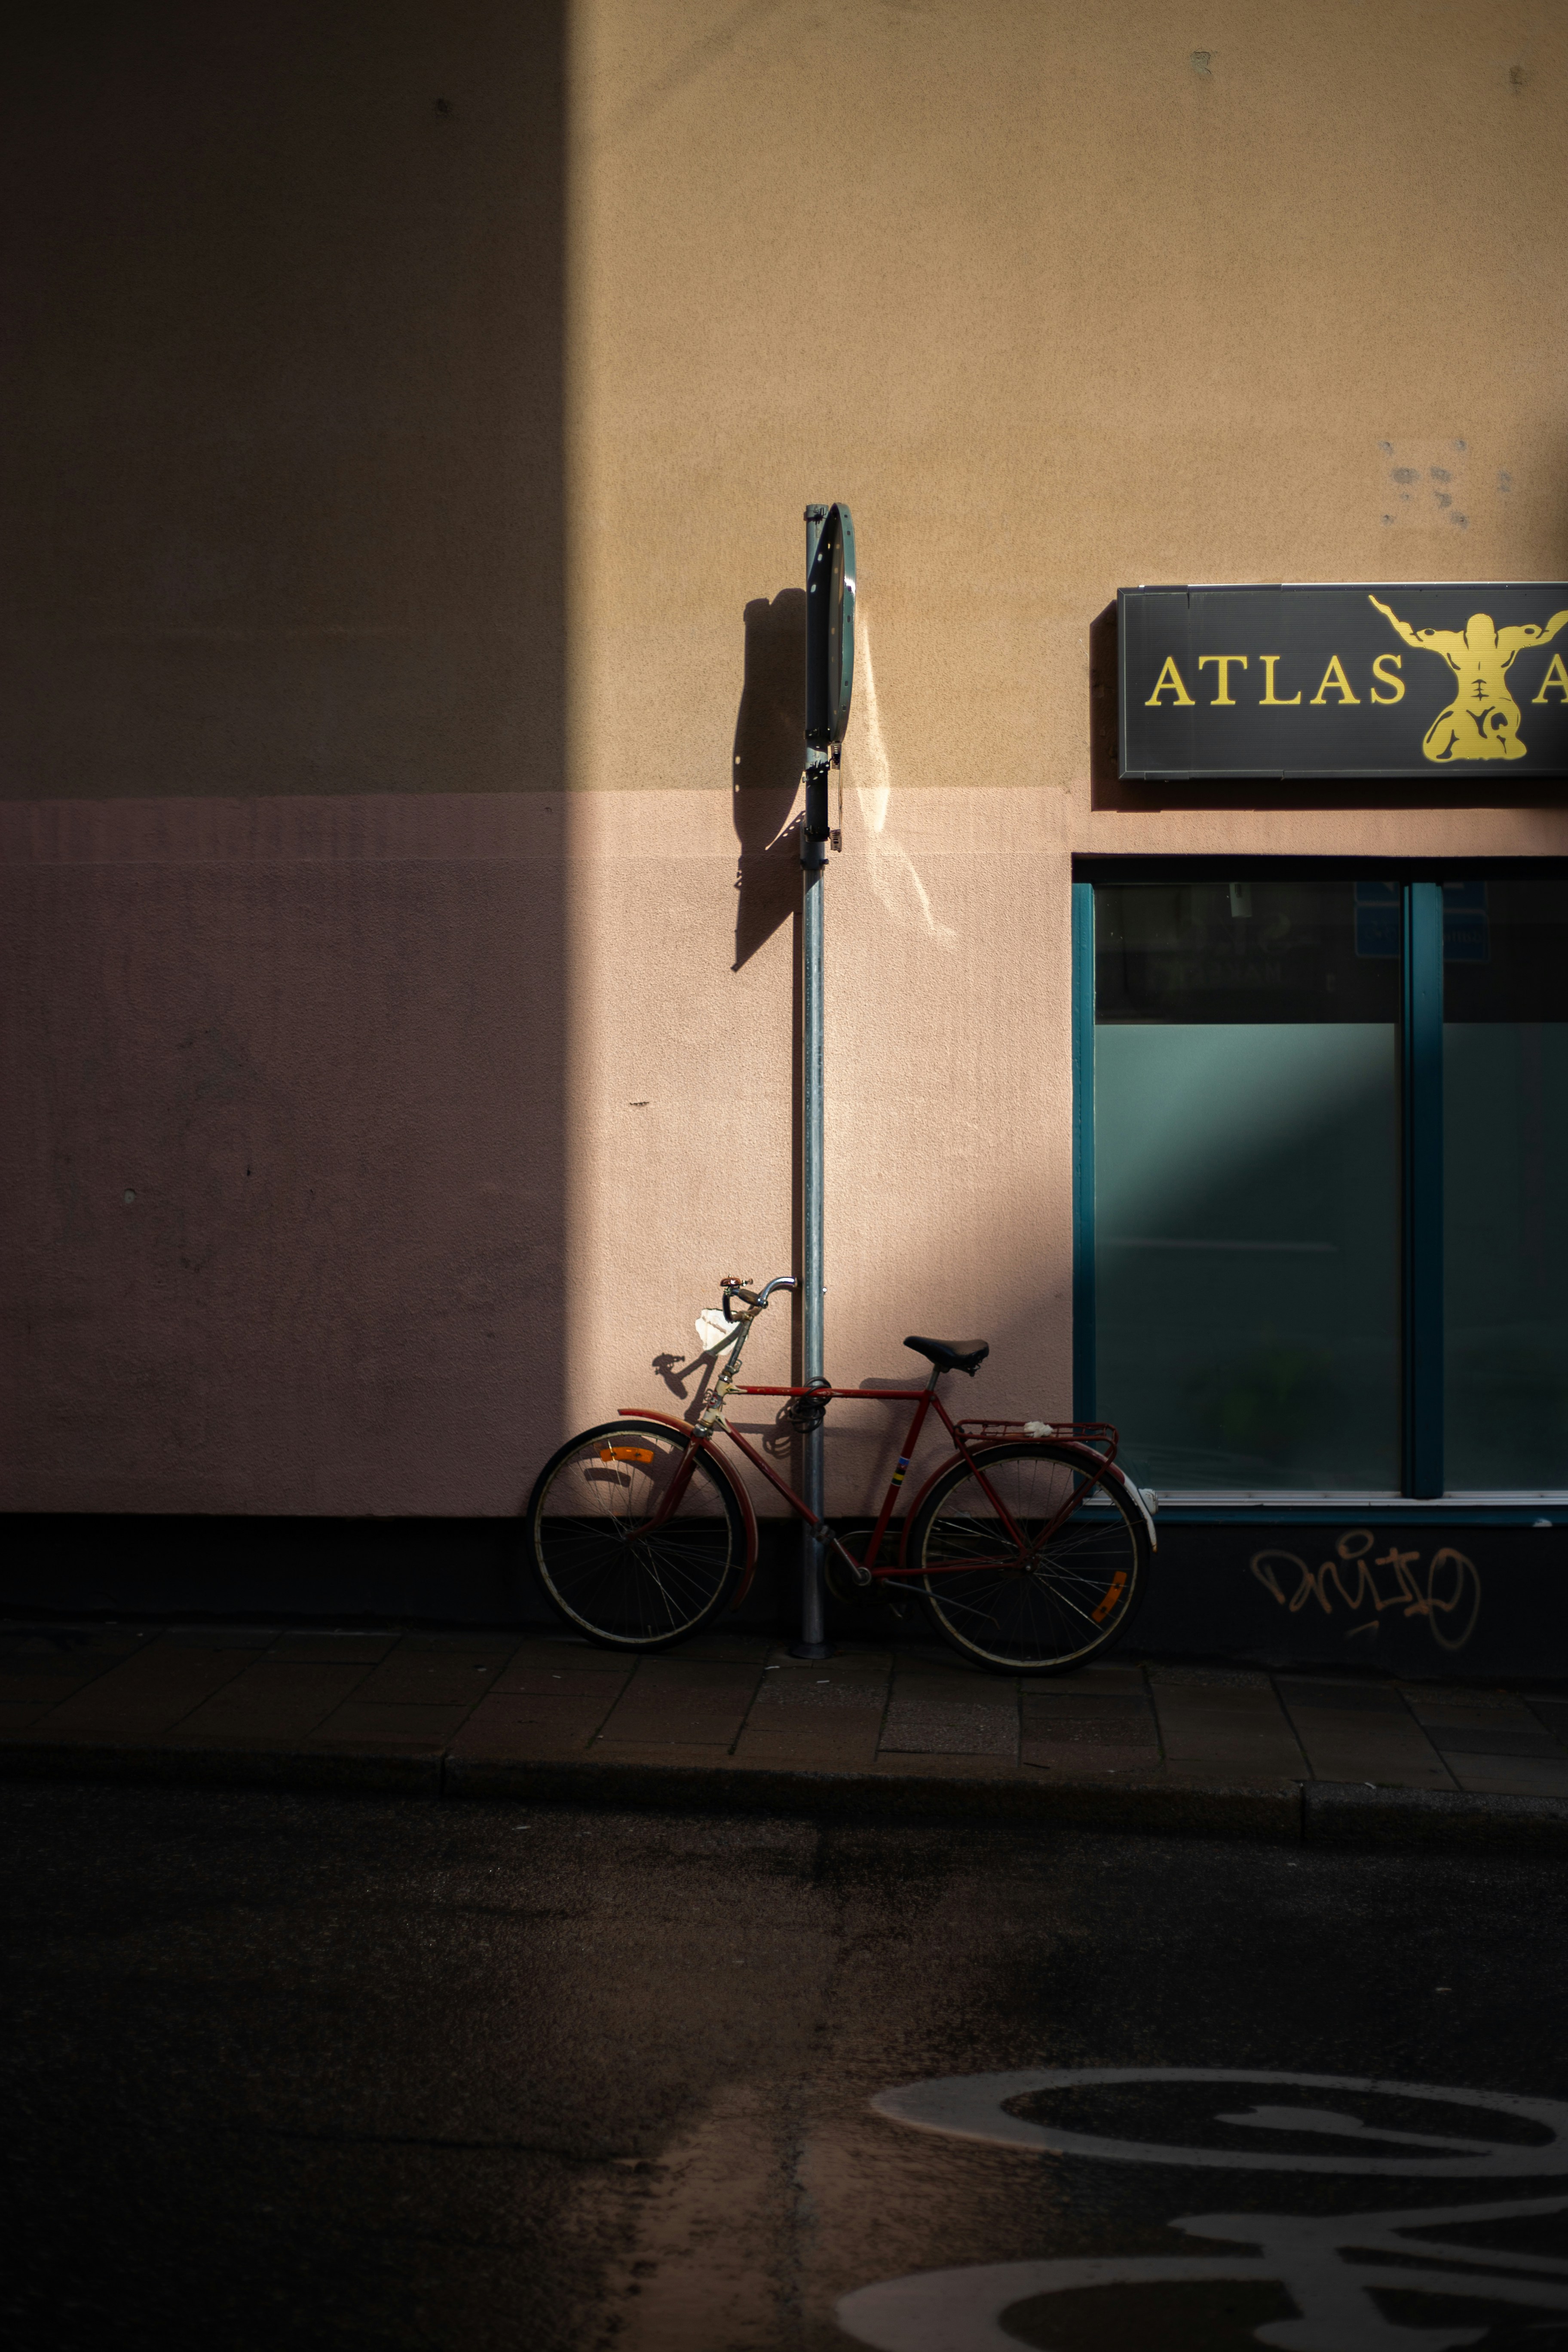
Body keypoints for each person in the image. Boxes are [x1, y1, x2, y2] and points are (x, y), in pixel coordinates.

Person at [1369, 594, 1568, 762]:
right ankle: (1478, 746)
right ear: (1467, 632)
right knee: (1433, 749)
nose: (1481, 636)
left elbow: (1546, 634)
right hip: (1463, 706)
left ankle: (1490, 744)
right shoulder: (1451, 642)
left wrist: (1564, 615)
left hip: (1501, 704)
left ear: (1493, 632)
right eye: (1476, 632)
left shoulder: (1509, 639)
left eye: (1486, 632)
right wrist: (1388, 612)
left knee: (1502, 732)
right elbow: (1412, 638)